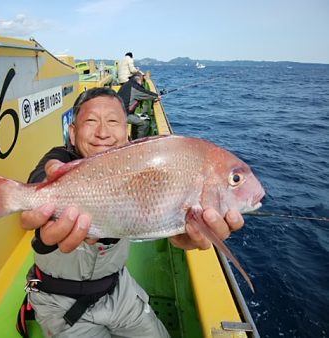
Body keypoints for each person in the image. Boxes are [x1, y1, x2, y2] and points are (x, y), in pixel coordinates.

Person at [20, 87, 245, 338]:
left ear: (126, 133)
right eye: (91, 121)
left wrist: (180, 231)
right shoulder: (61, 159)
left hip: (119, 289)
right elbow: (43, 176)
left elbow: (157, 205)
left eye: (113, 121)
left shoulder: (134, 166)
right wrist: (41, 203)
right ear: (72, 133)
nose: (103, 132)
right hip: (58, 300)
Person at [117, 73, 161, 139]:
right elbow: (146, 93)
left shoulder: (127, 84)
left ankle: (134, 137)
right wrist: (157, 96)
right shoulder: (134, 87)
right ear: (139, 79)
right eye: (142, 81)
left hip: (118, 112)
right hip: (123, 115)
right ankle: (138, 141)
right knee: (145, 123)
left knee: (137, 119)